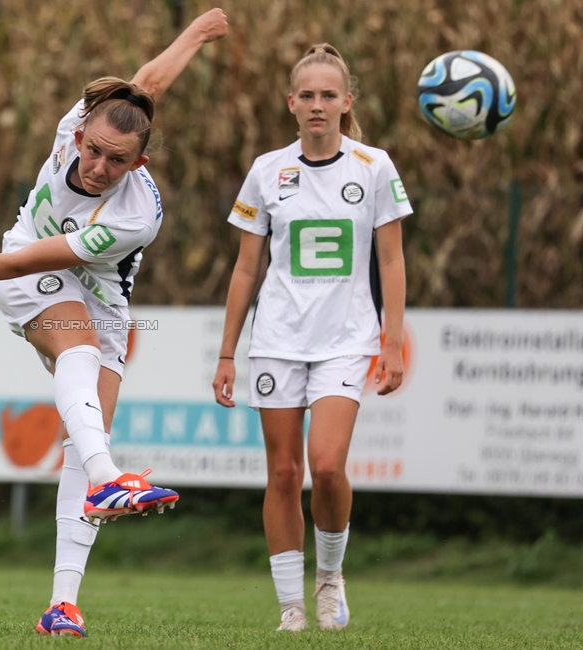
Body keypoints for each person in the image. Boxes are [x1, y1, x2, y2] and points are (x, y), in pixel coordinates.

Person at [0, 8, 228, 637]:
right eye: (92, 150)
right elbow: (144, 85)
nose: (98, 166)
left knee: (83, 433)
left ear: (140, 163)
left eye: (117, 160)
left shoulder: (134, 215)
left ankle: (61, 604)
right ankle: (106, 478)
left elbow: (138, 109)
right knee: (79, 351)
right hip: (22, 271)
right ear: (77, 133)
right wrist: (198, 34)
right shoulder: (80, 121)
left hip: (103, 305)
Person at [212, 43, 411, 632]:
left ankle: (328, 580)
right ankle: (290, 608)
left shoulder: (374, 166)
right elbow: (247, 269)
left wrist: (391, 342)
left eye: (330, 95)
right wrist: (227, 351)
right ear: (291, 103)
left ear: (347, 102)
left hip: (347, 341)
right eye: (308, 95)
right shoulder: (267, 170)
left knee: (326, 467)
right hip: (276, 339)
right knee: (282, 474)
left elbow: (392, 262)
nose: (318, 105)